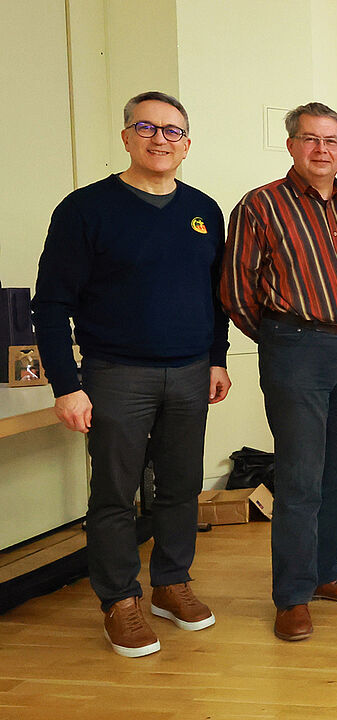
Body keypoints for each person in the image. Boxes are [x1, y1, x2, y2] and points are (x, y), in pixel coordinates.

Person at [32, 91, 231, 657]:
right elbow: (50, 305)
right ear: (126, 137)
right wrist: (67, 386)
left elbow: (215, 297)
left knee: (181, 487)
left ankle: (172, 583)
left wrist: (217, 357)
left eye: (172, 131)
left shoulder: (204, 210)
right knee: (115, 494)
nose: (160, 139)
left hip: (190, 372)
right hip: (115, 373)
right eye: (147, 127)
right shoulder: (85, 209)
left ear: (187, 144)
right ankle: (120, 600)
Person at [222, 102, 337, 642]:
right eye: (310, 139)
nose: (321, 150)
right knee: (299, 476)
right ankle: (291, 595)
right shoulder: (261, 205)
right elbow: (236, 291)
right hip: (296, 348)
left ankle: (327, 574)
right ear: (291, 145)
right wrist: (282, 337)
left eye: (332, 141)